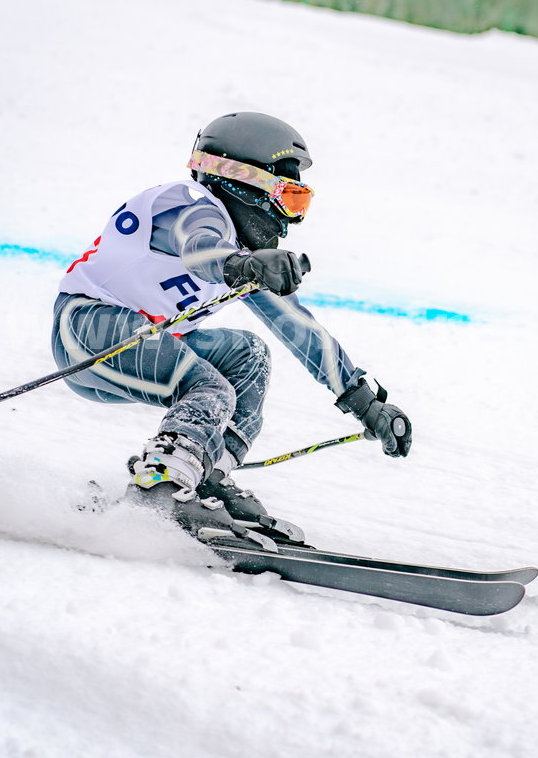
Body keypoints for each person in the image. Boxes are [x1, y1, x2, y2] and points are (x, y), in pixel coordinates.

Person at [51, 112, 412, 548]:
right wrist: (241, 266)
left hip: (143, 341)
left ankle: (202, 478)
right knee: (209, 390)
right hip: (91, 330)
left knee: (249, 354)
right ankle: (161, 484)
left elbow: (298, 327)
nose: (290, 219)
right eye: (289, 197)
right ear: (246, 180)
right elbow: (200, 248)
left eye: (300, 202)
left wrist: (364, 403)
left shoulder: (240, 252)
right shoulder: (187, 203)